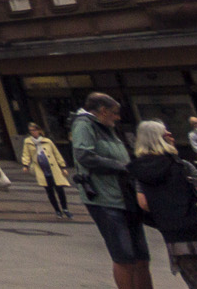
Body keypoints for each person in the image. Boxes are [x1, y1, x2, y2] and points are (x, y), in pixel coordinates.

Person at [129, 119, 197, 289]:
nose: (171, 135)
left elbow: (143, 204)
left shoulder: (138, 170)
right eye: (166, 133)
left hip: (172, 234)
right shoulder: (182, 166)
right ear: (159, 138)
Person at [73, 92, 154, 289]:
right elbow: (84, 156)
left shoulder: (106, 127)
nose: (117, 117)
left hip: (124, 195)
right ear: (103, 111)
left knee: (141, 256)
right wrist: (122, 166)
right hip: (105, 198)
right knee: (124, 256)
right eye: (115, 113)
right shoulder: (84, 124)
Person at [23, 122, 74, 219]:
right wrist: (25, 164)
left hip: (54, 170)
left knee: (60, 190)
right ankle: (57, 210)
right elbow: (26, 154)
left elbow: (56, 153)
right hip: (42, 171)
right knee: (50, 192)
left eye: (34, 130)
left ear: (39, 130)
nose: (33, 132)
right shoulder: (28, 142)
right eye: (31, 131)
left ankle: (65, 209)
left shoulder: (47, 141)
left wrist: (63, 166)